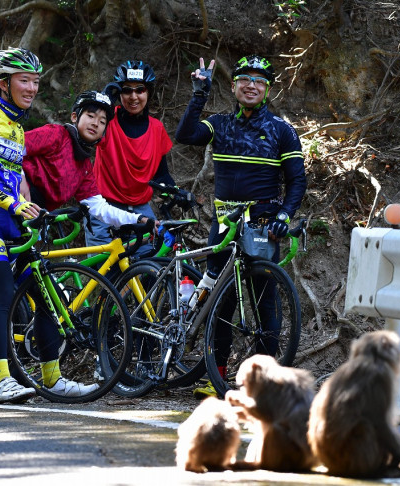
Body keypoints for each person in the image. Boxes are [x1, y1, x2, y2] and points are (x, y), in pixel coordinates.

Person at [0, 47, 93, 404]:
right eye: (24, 80)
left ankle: (53, 378)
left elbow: (15, 178)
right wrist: (14, 203)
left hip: (10, 216)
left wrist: (32, 207)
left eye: (35, 81)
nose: (31, 88)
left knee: (42, 292)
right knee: (1, 292)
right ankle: (1, 382)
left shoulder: (17, 127)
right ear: (4, 83)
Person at [175, 55, 307, 398]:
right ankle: (213, 375)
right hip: (225, 225)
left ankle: (261, 382)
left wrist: (285, 215)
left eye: (260, 81)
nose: (251, 85)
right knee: (222, 301)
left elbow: (296, 181)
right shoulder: (219, 123)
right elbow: (186, 134)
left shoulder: (281, 130)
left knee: (265, 303)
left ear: (267, 90)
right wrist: (199, 93)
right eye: (244, 79)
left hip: (263, 225)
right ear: (233, 86)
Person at [21, 90, 153, 232]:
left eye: (102, 122)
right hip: (7, 193)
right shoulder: (56, 134)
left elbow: (99, 208)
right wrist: (20, 177)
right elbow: (11, 144)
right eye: (90, 116)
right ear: (74, 117)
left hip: (32, 214)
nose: (95, 124)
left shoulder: (84, 167)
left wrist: (137, 219)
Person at [84, 60, 175, 254]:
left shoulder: (157, 128)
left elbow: (162, 174)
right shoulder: (107, 121)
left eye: (139, 90)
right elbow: (84, 136)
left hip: (140, 208)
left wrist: (174, 193)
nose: (133, 97)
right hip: (104, 206)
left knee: (149, 265)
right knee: (102, 271)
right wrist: (104, 102)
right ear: (120, 93)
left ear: (148, 93)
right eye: (126, 90)